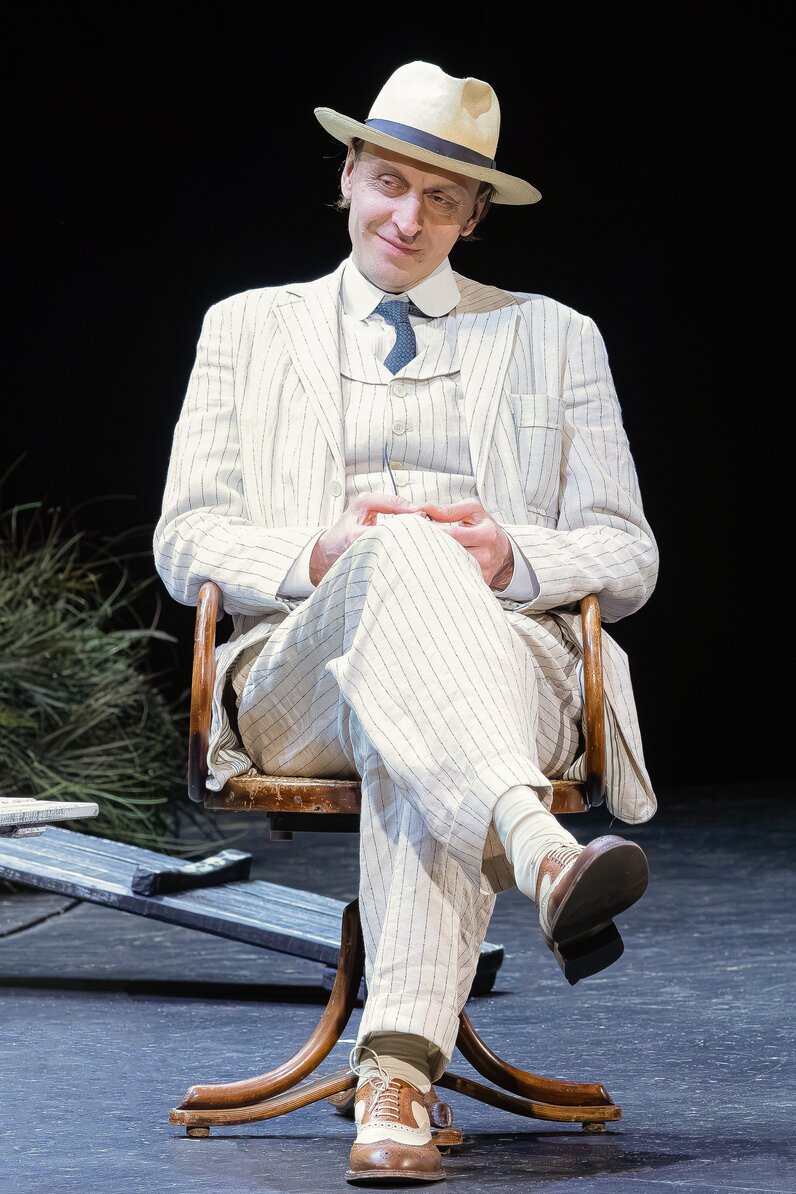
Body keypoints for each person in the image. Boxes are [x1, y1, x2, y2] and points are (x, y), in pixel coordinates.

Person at [153, 60, 659, 1185]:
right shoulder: (246, 328)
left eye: (440, 199)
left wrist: (511, 554)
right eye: (388, 183)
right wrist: (322, 552)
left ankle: (397, 1077)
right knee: (394, 552)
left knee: (415, 701)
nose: (407, 218)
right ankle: (533, 848)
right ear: (346, 175)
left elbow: (627, 554)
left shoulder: (554, 336)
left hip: (512, 665)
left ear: (473, 217)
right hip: (302, 675)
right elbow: (185, 541)